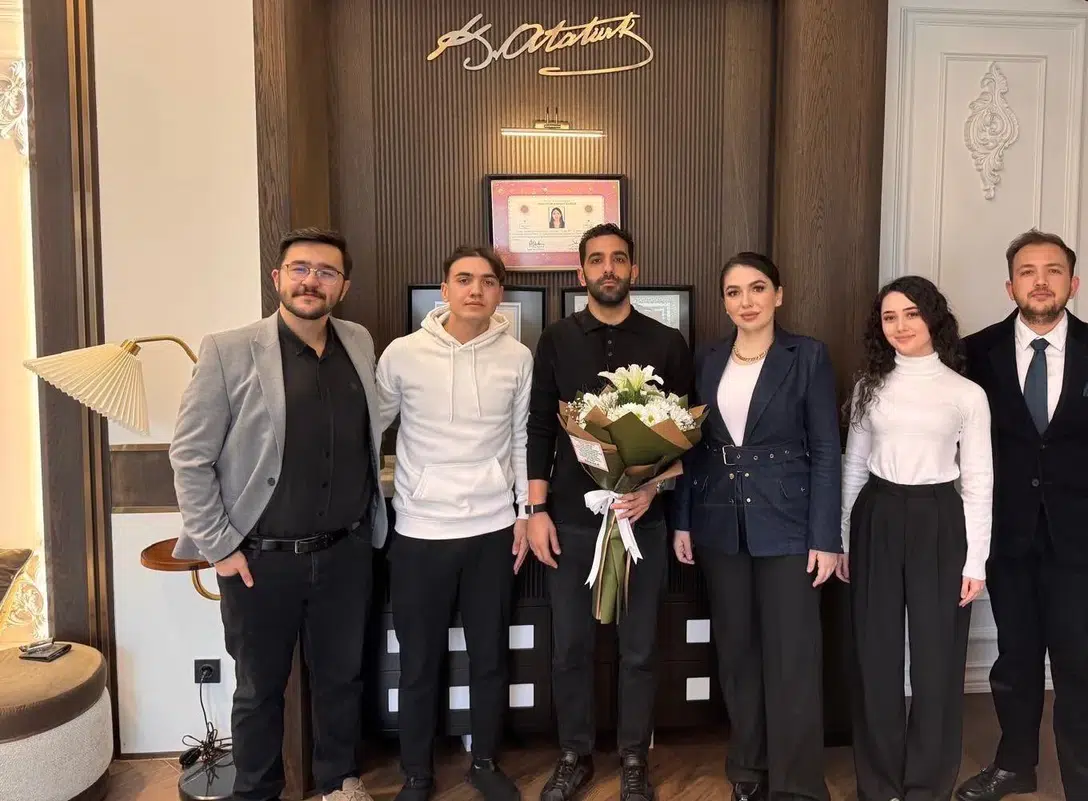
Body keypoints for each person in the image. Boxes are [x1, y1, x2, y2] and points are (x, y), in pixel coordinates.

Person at [169, 227, 386, 801]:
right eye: (300, 269)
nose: (312, 281)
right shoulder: (228, 350)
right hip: (258, 561)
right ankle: (257, 793)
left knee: (342, 680)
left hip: (345, 553)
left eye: (326, 272)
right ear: (278, 278)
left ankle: (339, 785)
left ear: (343, 286)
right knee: (259, 690)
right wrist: (220, 547)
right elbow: (190, 457)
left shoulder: (358, 342)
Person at [954, 230, 1088, 801]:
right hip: (1008, 537)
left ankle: (1083, 786)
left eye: (1053, 271)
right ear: (1010, 286)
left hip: (1086, 542)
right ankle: (1014, 766)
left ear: (1074, 283)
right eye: (1027, 271)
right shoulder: (974, 354)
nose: (1040, 281)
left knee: (1080, 665)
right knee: (1014, 661)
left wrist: (1087, 487)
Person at [526, 223, 695, 801]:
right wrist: (536, 509)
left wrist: (653, 490)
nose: (608, 269)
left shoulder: (667, 342)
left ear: (633, 270)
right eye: (596, 260)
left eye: (618, 259)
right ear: (581, 273)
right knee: (570, 647)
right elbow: (540, 428)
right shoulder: (556, 339)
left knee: (639, 648)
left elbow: (685, 436)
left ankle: (633, 758)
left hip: (642, 520)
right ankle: (573, 753)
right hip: (572, 521)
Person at [671, 252, 841, 801]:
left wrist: (826, 537)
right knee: (737, 653)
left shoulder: (807, 355)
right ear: (724, 302)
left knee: (793, 657)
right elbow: (692, 447)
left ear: (778, 295)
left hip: (790, 524)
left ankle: (797, 784)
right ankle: (747, 768)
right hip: (719, 523)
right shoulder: (707, 358)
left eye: (757, 288)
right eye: (734, 292)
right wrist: (682, 521)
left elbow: (826, 450)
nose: (746, 301)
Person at [375, 246, 533, 801]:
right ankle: (417, 773)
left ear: (499, 293)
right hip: (420, 531)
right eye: (464, 279)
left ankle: (484, 761)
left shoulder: (518, 357)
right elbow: (371, 427)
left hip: (492, 529)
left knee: (489, 657)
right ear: (444, 290)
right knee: (420, 662)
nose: (475, 290)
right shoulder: (402, 353)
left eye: (487, 281)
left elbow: (521, 440)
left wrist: (524, 513)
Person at [840, 275, 992, 801]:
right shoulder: (869, 387)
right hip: (877, 515)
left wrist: (976, 562)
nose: (900, 326)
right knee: (875, 657)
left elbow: (978, 480)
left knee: (937, 661)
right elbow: (854, 465)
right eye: (889, 317)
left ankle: (927, 785)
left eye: (911, 314)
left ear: (933, 318)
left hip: (940, 520)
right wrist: (844, 539)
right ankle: (879, 784)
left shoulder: (966, 394)